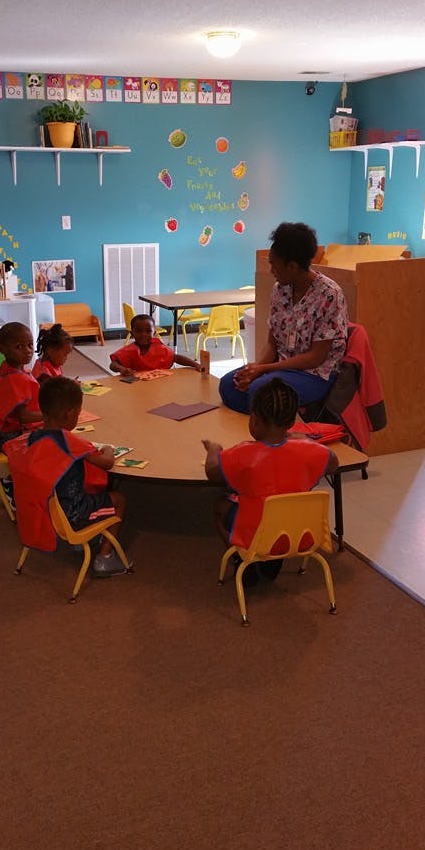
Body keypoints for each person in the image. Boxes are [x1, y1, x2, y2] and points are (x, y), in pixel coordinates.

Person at [203, 377, 337, 582]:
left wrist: (214, 449)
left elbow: (212, 473)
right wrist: (306, 441)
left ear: (254, 420)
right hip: (303, 532)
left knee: (221, 506)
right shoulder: (308, 450)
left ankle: (244, 559)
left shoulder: (242, 453)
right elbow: (333, 462)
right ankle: (271, 560)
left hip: (258, 536)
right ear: (291, 423)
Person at [219, 222, 348, 414]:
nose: (271, 271)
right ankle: (270, 414)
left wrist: (264, 370)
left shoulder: (329, 295)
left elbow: (315, 358)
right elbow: (272, 344)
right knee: (229, 384)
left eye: (274, 265)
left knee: (259, 392)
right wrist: (255, 368)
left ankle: (268, 416)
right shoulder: (280, 290)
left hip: (315, 374)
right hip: (279, 368)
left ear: (292, 266)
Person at [4, 377, 128, 578]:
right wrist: (108, 449)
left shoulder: (31, 438)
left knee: (85, 484)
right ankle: (105, 558)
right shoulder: (69, 442)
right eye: (78, 413)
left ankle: (84, 542)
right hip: (71, 514)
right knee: (119, 499)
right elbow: (106, 463)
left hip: (42, 510)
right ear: (69, 414)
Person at [0, 322, 42, 453]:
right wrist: (51, 415)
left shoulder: (10, 368)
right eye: (19, 347)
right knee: (51, 441)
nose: (28, 351)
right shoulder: (14, 378)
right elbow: (24, 417)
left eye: (30, 345)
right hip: (3, 436)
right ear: (3, 349)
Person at [109, 313, 201, 376]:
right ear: (132, 333)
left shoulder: (159, 347)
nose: (143, 334)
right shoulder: (129, 350)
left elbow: (176, 358)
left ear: (154, 333)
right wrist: (121, 369)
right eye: (139, 331)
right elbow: (113, 365)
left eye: (148, 331)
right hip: (137, 386)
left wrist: (196, 365)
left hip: (160, 384)